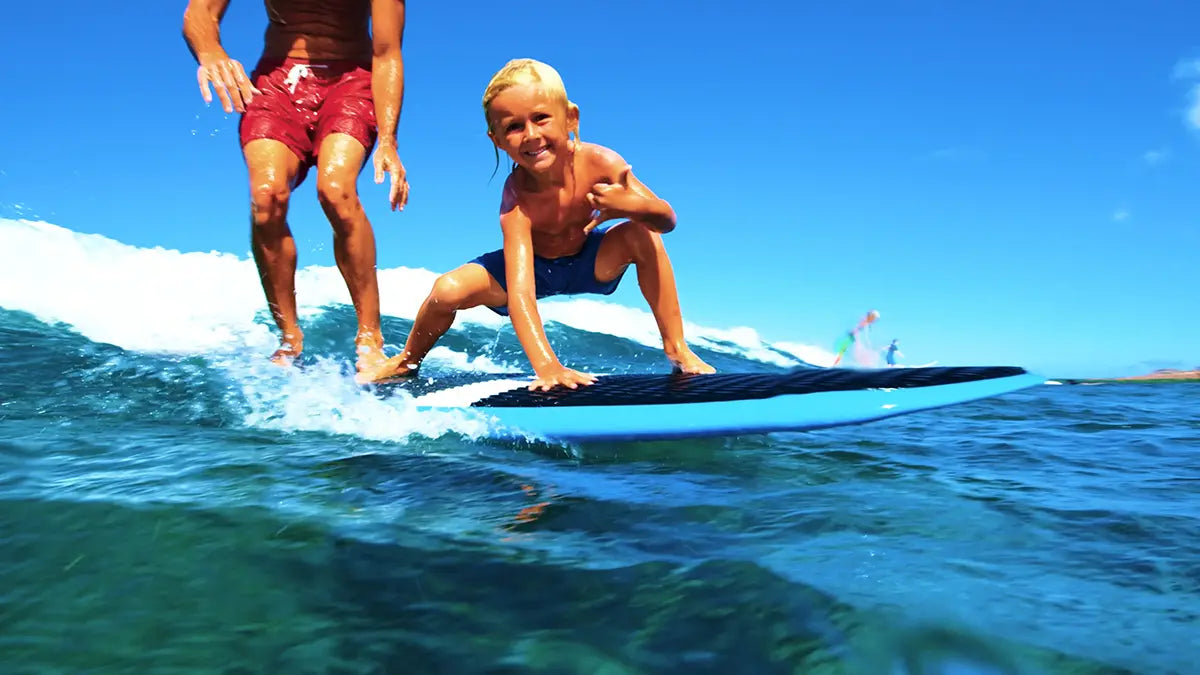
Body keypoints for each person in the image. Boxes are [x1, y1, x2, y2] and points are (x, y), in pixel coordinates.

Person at [360, 58, 713, 390]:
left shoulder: (603, 162)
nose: (530, 134)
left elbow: (666, 220)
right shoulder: (516, 197)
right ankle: (406, 362)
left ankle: (677, 349)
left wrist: (631, 206)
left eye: (541, 118)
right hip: (533, 269)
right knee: (446, 290)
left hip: (591, 261)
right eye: (513, 127)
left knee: (641, 232)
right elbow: (521, 291)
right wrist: (547, 366)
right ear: (496, 139)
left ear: (570, 118)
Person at [182, 0, 409, 376]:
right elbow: (200, 13)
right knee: (266, 197)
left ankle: (370, 337)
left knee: (336, 191)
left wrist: (388, 140)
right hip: (278, 83)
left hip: (350, 82)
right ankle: (289, 338)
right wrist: (211, 52)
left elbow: (386, 54)